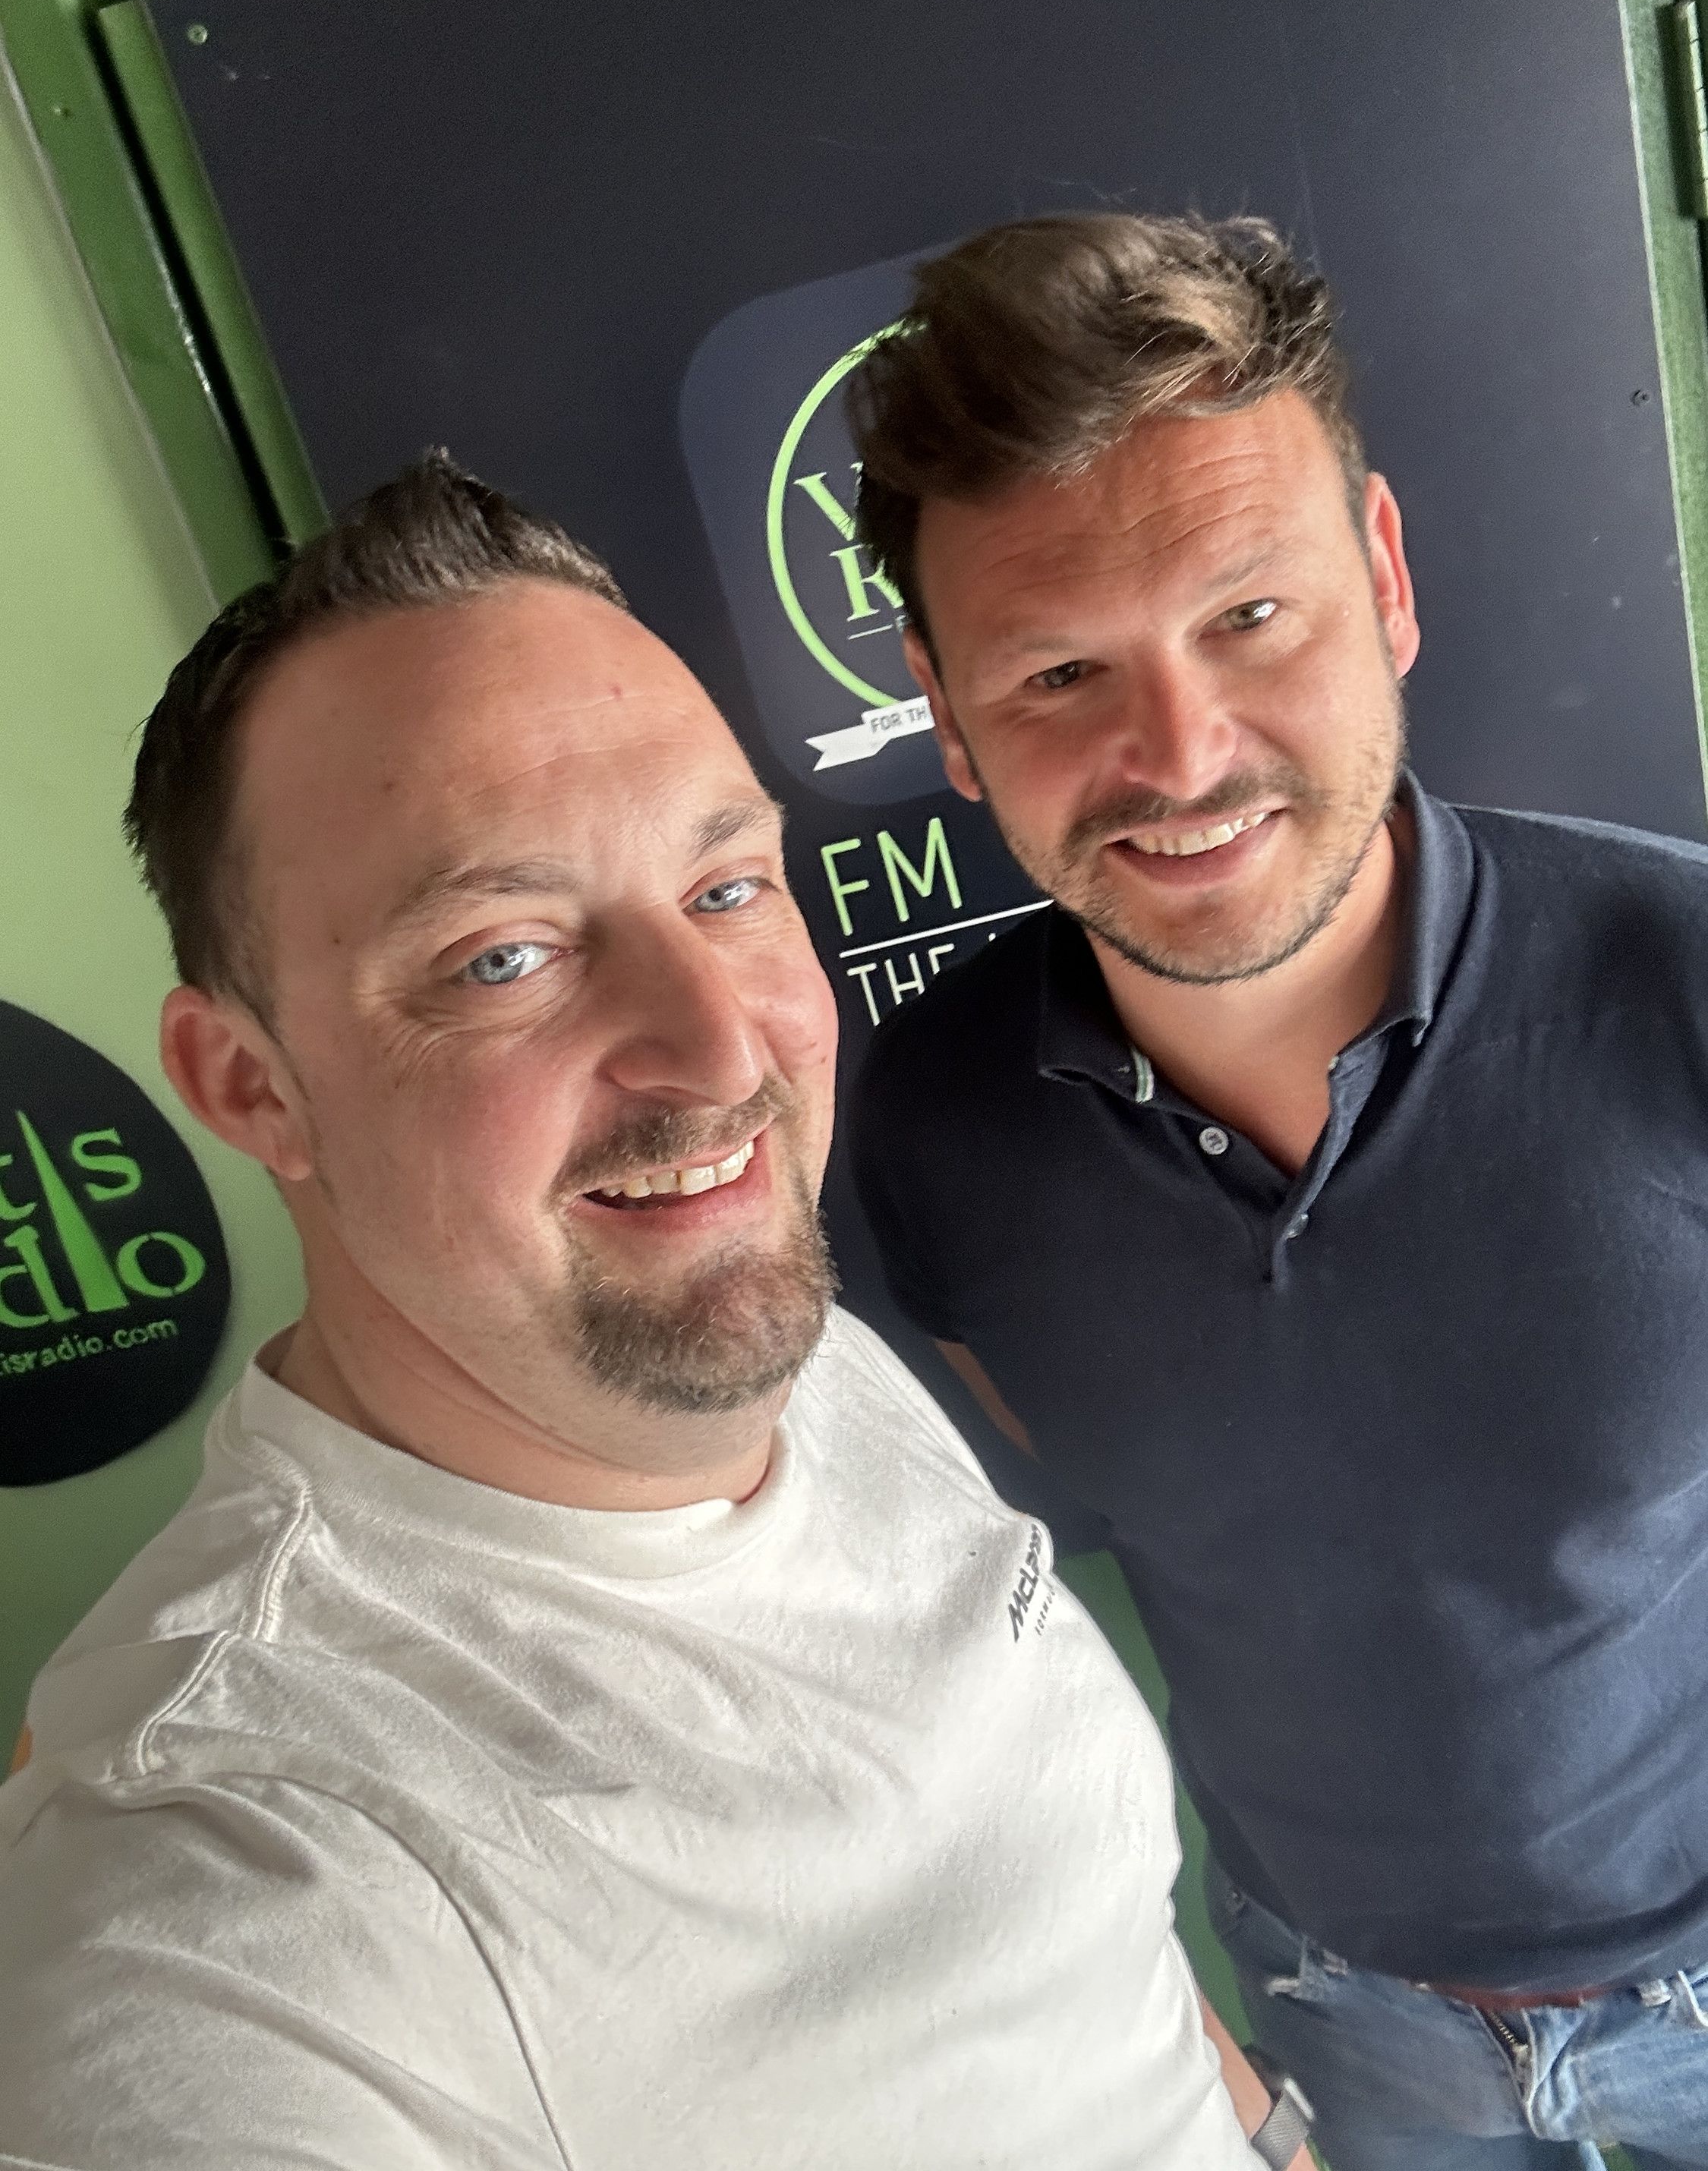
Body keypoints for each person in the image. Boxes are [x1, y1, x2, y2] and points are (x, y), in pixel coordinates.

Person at [0, 455, 1297, 2170]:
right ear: (252, 1084)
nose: (718, 1049)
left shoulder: (786, 1357)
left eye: (725, 890)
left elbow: (1081, 1949)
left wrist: (1269, 2135)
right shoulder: (233, 1881)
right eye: (503, 956)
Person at [846, 212, 1708, 2170]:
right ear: (948, 714)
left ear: (1383, 578)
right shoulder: (921, 1123)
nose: (1179, 753)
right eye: (1059, 669)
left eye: (1249, 615)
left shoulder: (1683, 980)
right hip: (1336, 2011)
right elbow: (1002, 1613)